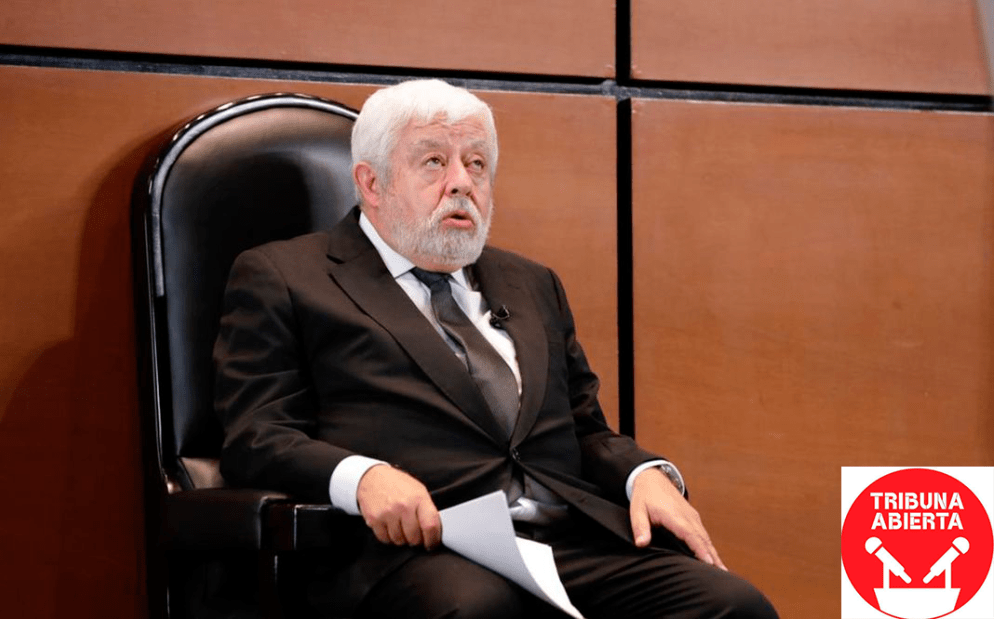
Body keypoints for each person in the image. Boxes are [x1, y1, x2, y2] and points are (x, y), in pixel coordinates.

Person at [213, 78, 778, 618]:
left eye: (477, 164)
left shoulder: (531, 283)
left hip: (564, 541)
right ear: (372, 183)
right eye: (434, 162)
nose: (462, 182)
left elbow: (583, 428)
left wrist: (643, 475)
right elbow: (257, 435)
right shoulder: (286, 276)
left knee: (730, 606)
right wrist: (362, 478)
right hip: (416, 548)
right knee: (480, 608)